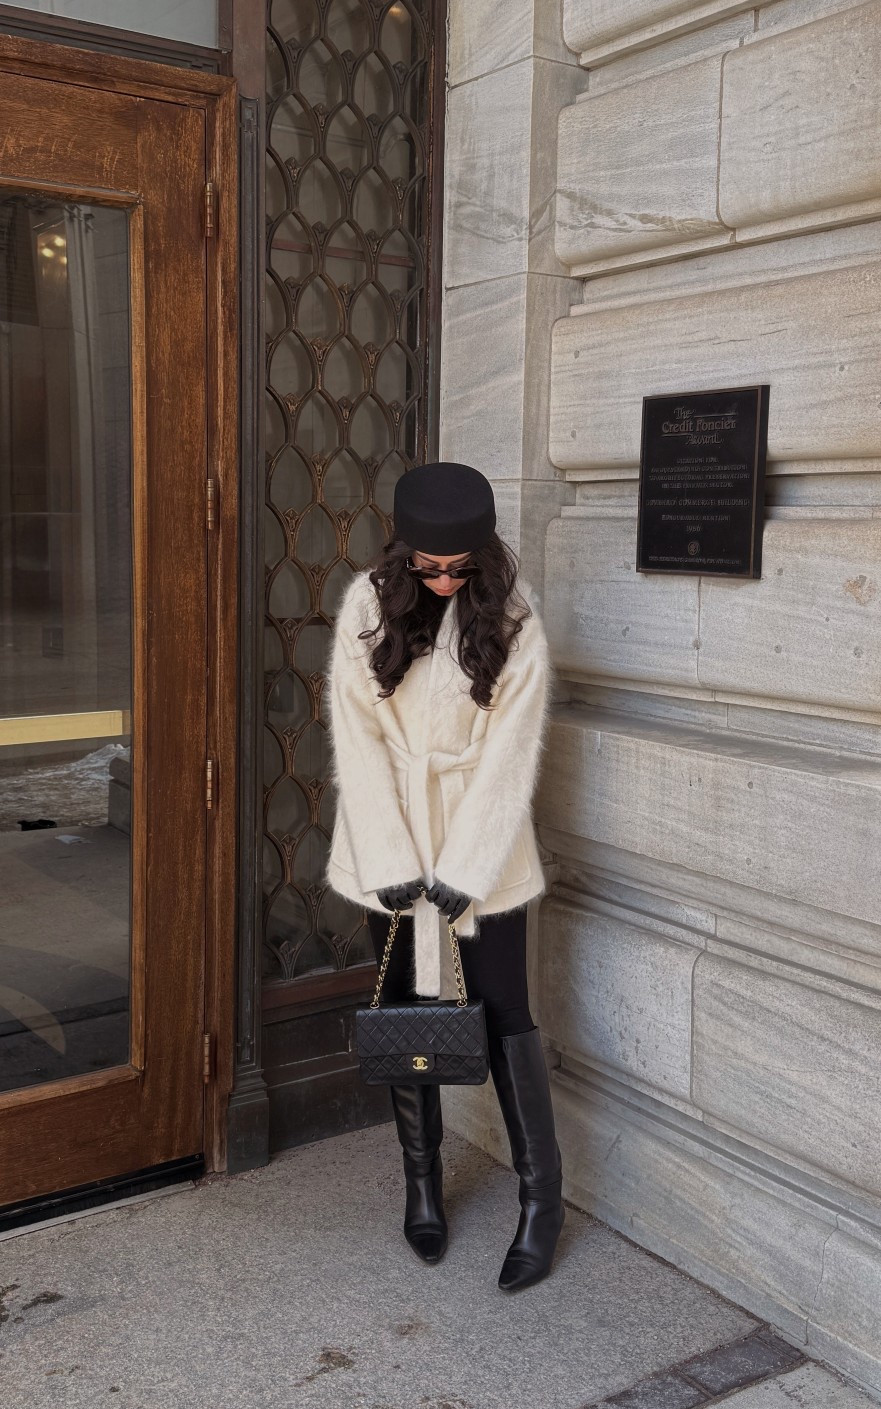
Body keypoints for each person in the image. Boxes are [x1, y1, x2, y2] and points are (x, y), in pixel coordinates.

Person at [325, 460, 564, 1292]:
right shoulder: (366, 606)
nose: (442, 580)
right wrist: (389, 855)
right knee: (406, 1016)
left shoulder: (515, 617)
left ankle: (541, 1201)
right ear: (402, 554)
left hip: (481, 841)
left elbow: (512, 750)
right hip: (387, 835)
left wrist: (468, 862)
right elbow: (355, 735)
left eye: (458, 568)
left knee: (505, 1016)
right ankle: (421, 1188)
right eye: (427, 567)